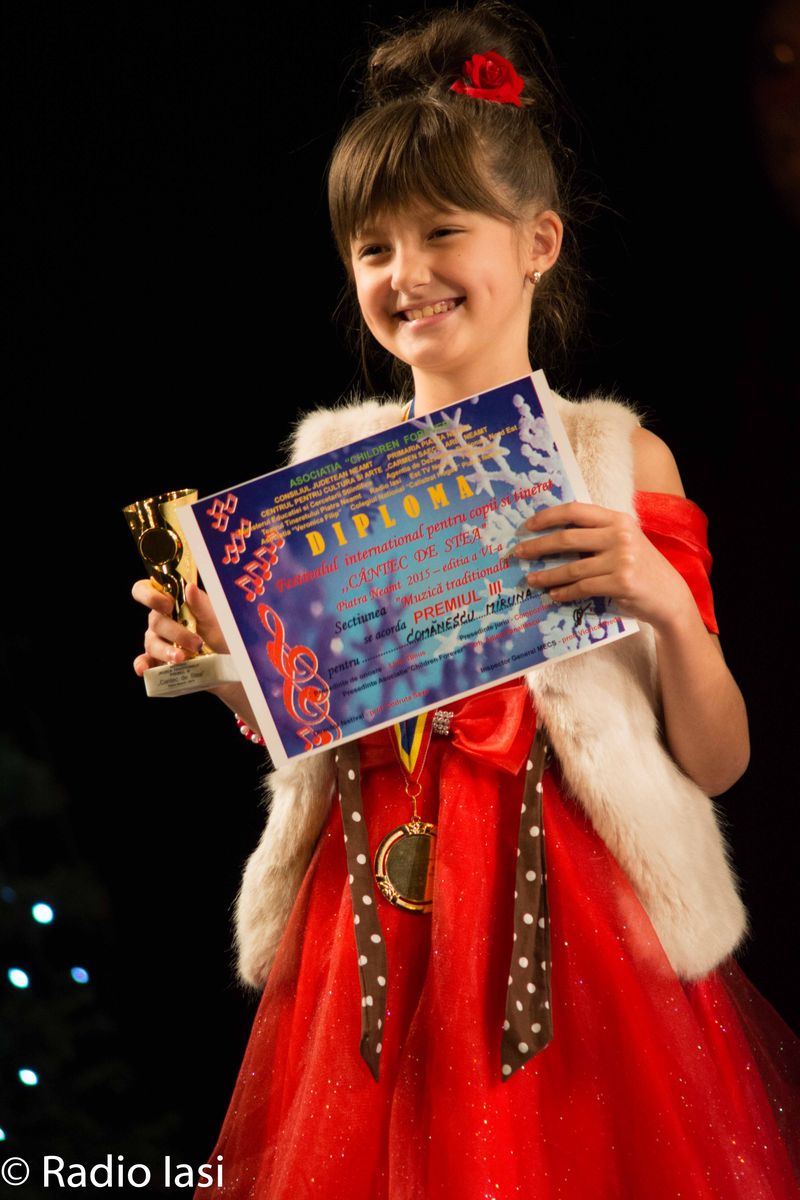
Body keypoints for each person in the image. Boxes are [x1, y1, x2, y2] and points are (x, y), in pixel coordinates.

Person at [132, 4, 800, 1196]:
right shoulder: (325, 476)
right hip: (371, 927)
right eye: (372, 248)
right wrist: (222, 665)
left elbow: (717, 759)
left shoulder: (613, 461)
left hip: (575, 933)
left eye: (442, 230)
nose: (407, 274)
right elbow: (315, 724)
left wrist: (656, 596)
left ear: (537, 242)